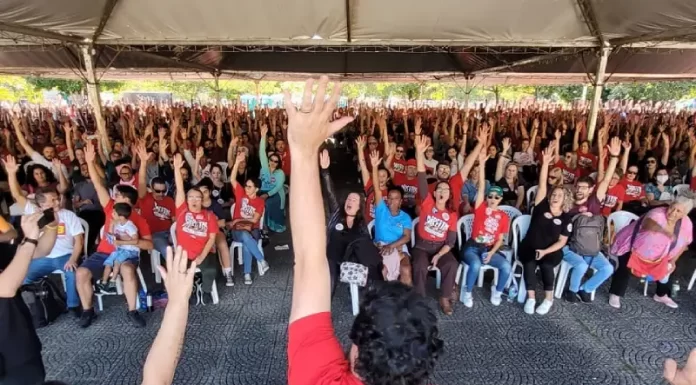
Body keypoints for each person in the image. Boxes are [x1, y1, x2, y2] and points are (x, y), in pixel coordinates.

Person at [286, 77, 442, 385]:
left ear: (357, 348)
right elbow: (311, 258)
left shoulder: (321, 377)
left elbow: (307, 259)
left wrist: (303, 151)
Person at [75, 142, 152, 329]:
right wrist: (90, 163)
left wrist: (131, 241)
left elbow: (149, 245)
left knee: (126, 269)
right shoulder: (109, 208)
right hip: (103, 252)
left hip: (127, 254)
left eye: (119, 197)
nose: (114, 198)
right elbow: (98, 185)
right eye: (115, 197)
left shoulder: (138, 219)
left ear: (129, 202)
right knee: (81, 272)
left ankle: (132, 310)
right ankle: (88, 311)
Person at [5, 155, 85, 315]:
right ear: (41, 204)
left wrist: (73, 259)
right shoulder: (34, 212)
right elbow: (17, 195)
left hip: (65, 256)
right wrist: (11, 173)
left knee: (71, 271)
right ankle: (33, 306)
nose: (57, 203)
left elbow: (79, 241)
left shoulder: (68, 215)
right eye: (53, 200)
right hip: (42, 259)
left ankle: (73, 306)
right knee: (23, 276)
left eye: (57, 199)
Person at [560, 137, 621, 303]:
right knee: (581, 265)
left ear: (591, 190)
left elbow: (607, 180)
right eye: (578, 187)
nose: (579, 190)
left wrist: (614, 157)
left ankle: (585, 289)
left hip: (590, 247)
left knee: (608, 268)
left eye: (584, 188)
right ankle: (571, 291)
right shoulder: (568, 201)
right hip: (569, 247)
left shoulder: (594, 201)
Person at [607, 195, 694, 309]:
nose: (673, 212)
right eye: (672, 207)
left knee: (669, 268)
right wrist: (665, 232)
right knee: (625, 265)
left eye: (678, 211)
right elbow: (648, 223)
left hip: (659, 255)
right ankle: (615, 294)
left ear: (684, 214)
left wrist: (673, 261)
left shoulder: (686, 223)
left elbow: (684, 244)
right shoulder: (657, 213)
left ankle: (661, 295)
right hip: (631, 245)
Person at [0, 213, 55, 385]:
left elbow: (40, 250)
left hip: (20, 342)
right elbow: (5, 289)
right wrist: (30, 240)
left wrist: (52, 224)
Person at [520, 141, 572, 315]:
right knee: (529, 262)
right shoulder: (541, 206)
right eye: (554, 194)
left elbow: (562, 241)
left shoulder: (566, 217)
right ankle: (531, 297)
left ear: (565, 200)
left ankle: (548, 300)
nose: (556, 197)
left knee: (547, 266)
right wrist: (546, 164)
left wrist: (546, 251)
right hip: (530, 245)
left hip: (551, 250)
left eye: (560, 195)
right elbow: (542, 184)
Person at [320, 149, 382, 294]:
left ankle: (375, 289)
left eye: (354, 200)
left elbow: (365, 243)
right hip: (334, 257)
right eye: (348, 198)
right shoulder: (337, 213)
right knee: (332, 271)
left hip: (352, 259)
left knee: (362, 243)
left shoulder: (361, 222)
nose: (350, 200)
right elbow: (330, 193)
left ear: (359, 207)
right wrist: (325, 172)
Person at [412, 133, 459, 315]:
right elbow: (422, 177)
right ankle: (419, 300)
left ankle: (445, 297)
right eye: (439, 188)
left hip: (440, 247)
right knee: (420, 266)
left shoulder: (452, 215)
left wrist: (439, 255)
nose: (442, 191)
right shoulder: (427, 202)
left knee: (451, 265)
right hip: (422, 247)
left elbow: (451, 242)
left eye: (445, 190)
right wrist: (419, 153)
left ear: (449, 195)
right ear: (435, 192)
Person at [461, 149, 512, 308]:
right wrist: (482, 164)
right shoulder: (481, 208)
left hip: (489, 249)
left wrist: (491, 252)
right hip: (472, 247)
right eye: (490, 196)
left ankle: (497, 291)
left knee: (506, 266)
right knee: (475, 265)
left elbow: (500, 239)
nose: (492, 199)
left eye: (496, 197)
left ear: (500, 199)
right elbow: (482, 187)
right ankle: (467, 292)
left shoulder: (504, 216)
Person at [172, 154, 219, 305]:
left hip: (203, 253)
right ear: (187, 200)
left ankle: (205, 290)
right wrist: (177, 170)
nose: (194, 200)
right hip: (184, 254)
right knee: (181, 272)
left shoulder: (209, 216)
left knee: (211, 270)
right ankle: (191, 290)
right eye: (191, 197)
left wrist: (201, 256)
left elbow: (212, 239)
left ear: (202, 200)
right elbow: (179, 189)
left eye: (197, 198)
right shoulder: (182, 212)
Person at [368, 151, 412, 285]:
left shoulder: (405, 217)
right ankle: (386, 299)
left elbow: (406, 237)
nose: (392, 201)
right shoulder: (381, 209)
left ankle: (406, 300)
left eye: (396, 198)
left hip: (399, 247)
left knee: (406, 269)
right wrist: (375, 166)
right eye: (390, 198)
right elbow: (376, 188)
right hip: (380, 246)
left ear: (401, 201)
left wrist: (392, 246)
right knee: (383, 270)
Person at [229, 152, 269, 285]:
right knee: (246, 237)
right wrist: (236, 163)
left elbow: (254, 220)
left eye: (250, 187)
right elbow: (232, 179)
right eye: (246, 186)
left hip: (253, 229)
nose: (246, 188)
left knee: (247, 241)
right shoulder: (240, 193)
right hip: (237, 231)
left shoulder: (259, 202)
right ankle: (261, 260)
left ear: (256, 189)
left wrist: (237, 220)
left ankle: (247, 274)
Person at [136, 141, 175, 259]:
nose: (161, 194)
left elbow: (175, 220)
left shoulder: (169, 200)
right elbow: (142, 181)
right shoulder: (144, 197)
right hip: (154, 235)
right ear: (151, 189)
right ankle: (172, 275)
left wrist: (173, 234)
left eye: (163, 191)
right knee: (167, 250)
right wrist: (143, 162)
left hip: (170, 233)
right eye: (157, 191)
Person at [97, 203, 140, 294]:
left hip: (130, 250)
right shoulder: (116, 223)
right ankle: (104, 283)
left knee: (116, 262)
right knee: (108, 263)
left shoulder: (130, 226)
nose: (112, 214)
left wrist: (120, 242)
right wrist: (111, 225)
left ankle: (112, 282)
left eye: (114, 213)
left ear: (121, 217)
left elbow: (136, 241)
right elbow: (111, 237)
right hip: (120, 249)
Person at [259, 124, 287, 232]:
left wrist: (267, 195)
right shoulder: (264, 169)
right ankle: (259, 224)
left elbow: (278, 187)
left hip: (276, 194)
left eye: (276, 161)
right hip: (263, 191)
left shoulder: (280, 173)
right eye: (271, 160)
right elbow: (262, 153)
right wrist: (263, 137)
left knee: (267, 203)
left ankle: (267, 224)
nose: (273, 162)